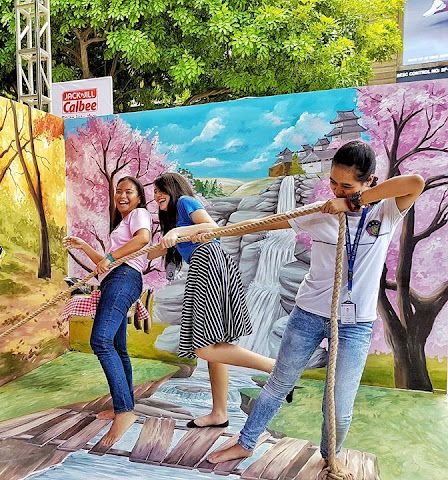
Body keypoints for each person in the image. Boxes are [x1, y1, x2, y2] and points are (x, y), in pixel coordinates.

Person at [203, 141, 424, 471]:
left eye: (346, 185)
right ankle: (245, 444)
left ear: (369, 181)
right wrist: (214, 231)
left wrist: (354, 201)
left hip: (355, 326)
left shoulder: (386, 212)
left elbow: (416, 182)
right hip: (307, 315)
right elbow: (271, 222)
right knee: (278, 384)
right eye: (333, 182)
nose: (336, 190)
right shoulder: (323, 212)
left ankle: (329, 457)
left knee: (339, 406)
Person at [148, 172, 277, 429]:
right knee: (215, 346)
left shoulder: (184, 202)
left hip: (208, 265)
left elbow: (212, 227)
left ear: (173, 189)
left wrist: (178, 231)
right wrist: (163, 239)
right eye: (154, 192)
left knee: (204, 347)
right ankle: (219, 413)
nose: (156, 196)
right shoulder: (173, 220)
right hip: (202, 267)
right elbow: (154, 253)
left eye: (160, 190)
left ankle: (275, 367)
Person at [63, 176, 151, 447]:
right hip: (115, 279)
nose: (122, 196)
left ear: (138, 197)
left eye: (128, 192)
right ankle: (123, 404)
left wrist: (112, 258)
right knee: (117, 346)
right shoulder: (122, 225)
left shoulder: (139, 214)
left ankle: (125, 412)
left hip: (124, 278)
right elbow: (105, 263)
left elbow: (144, 239)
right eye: (118, 191)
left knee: (100, 341)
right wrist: (84, 246)